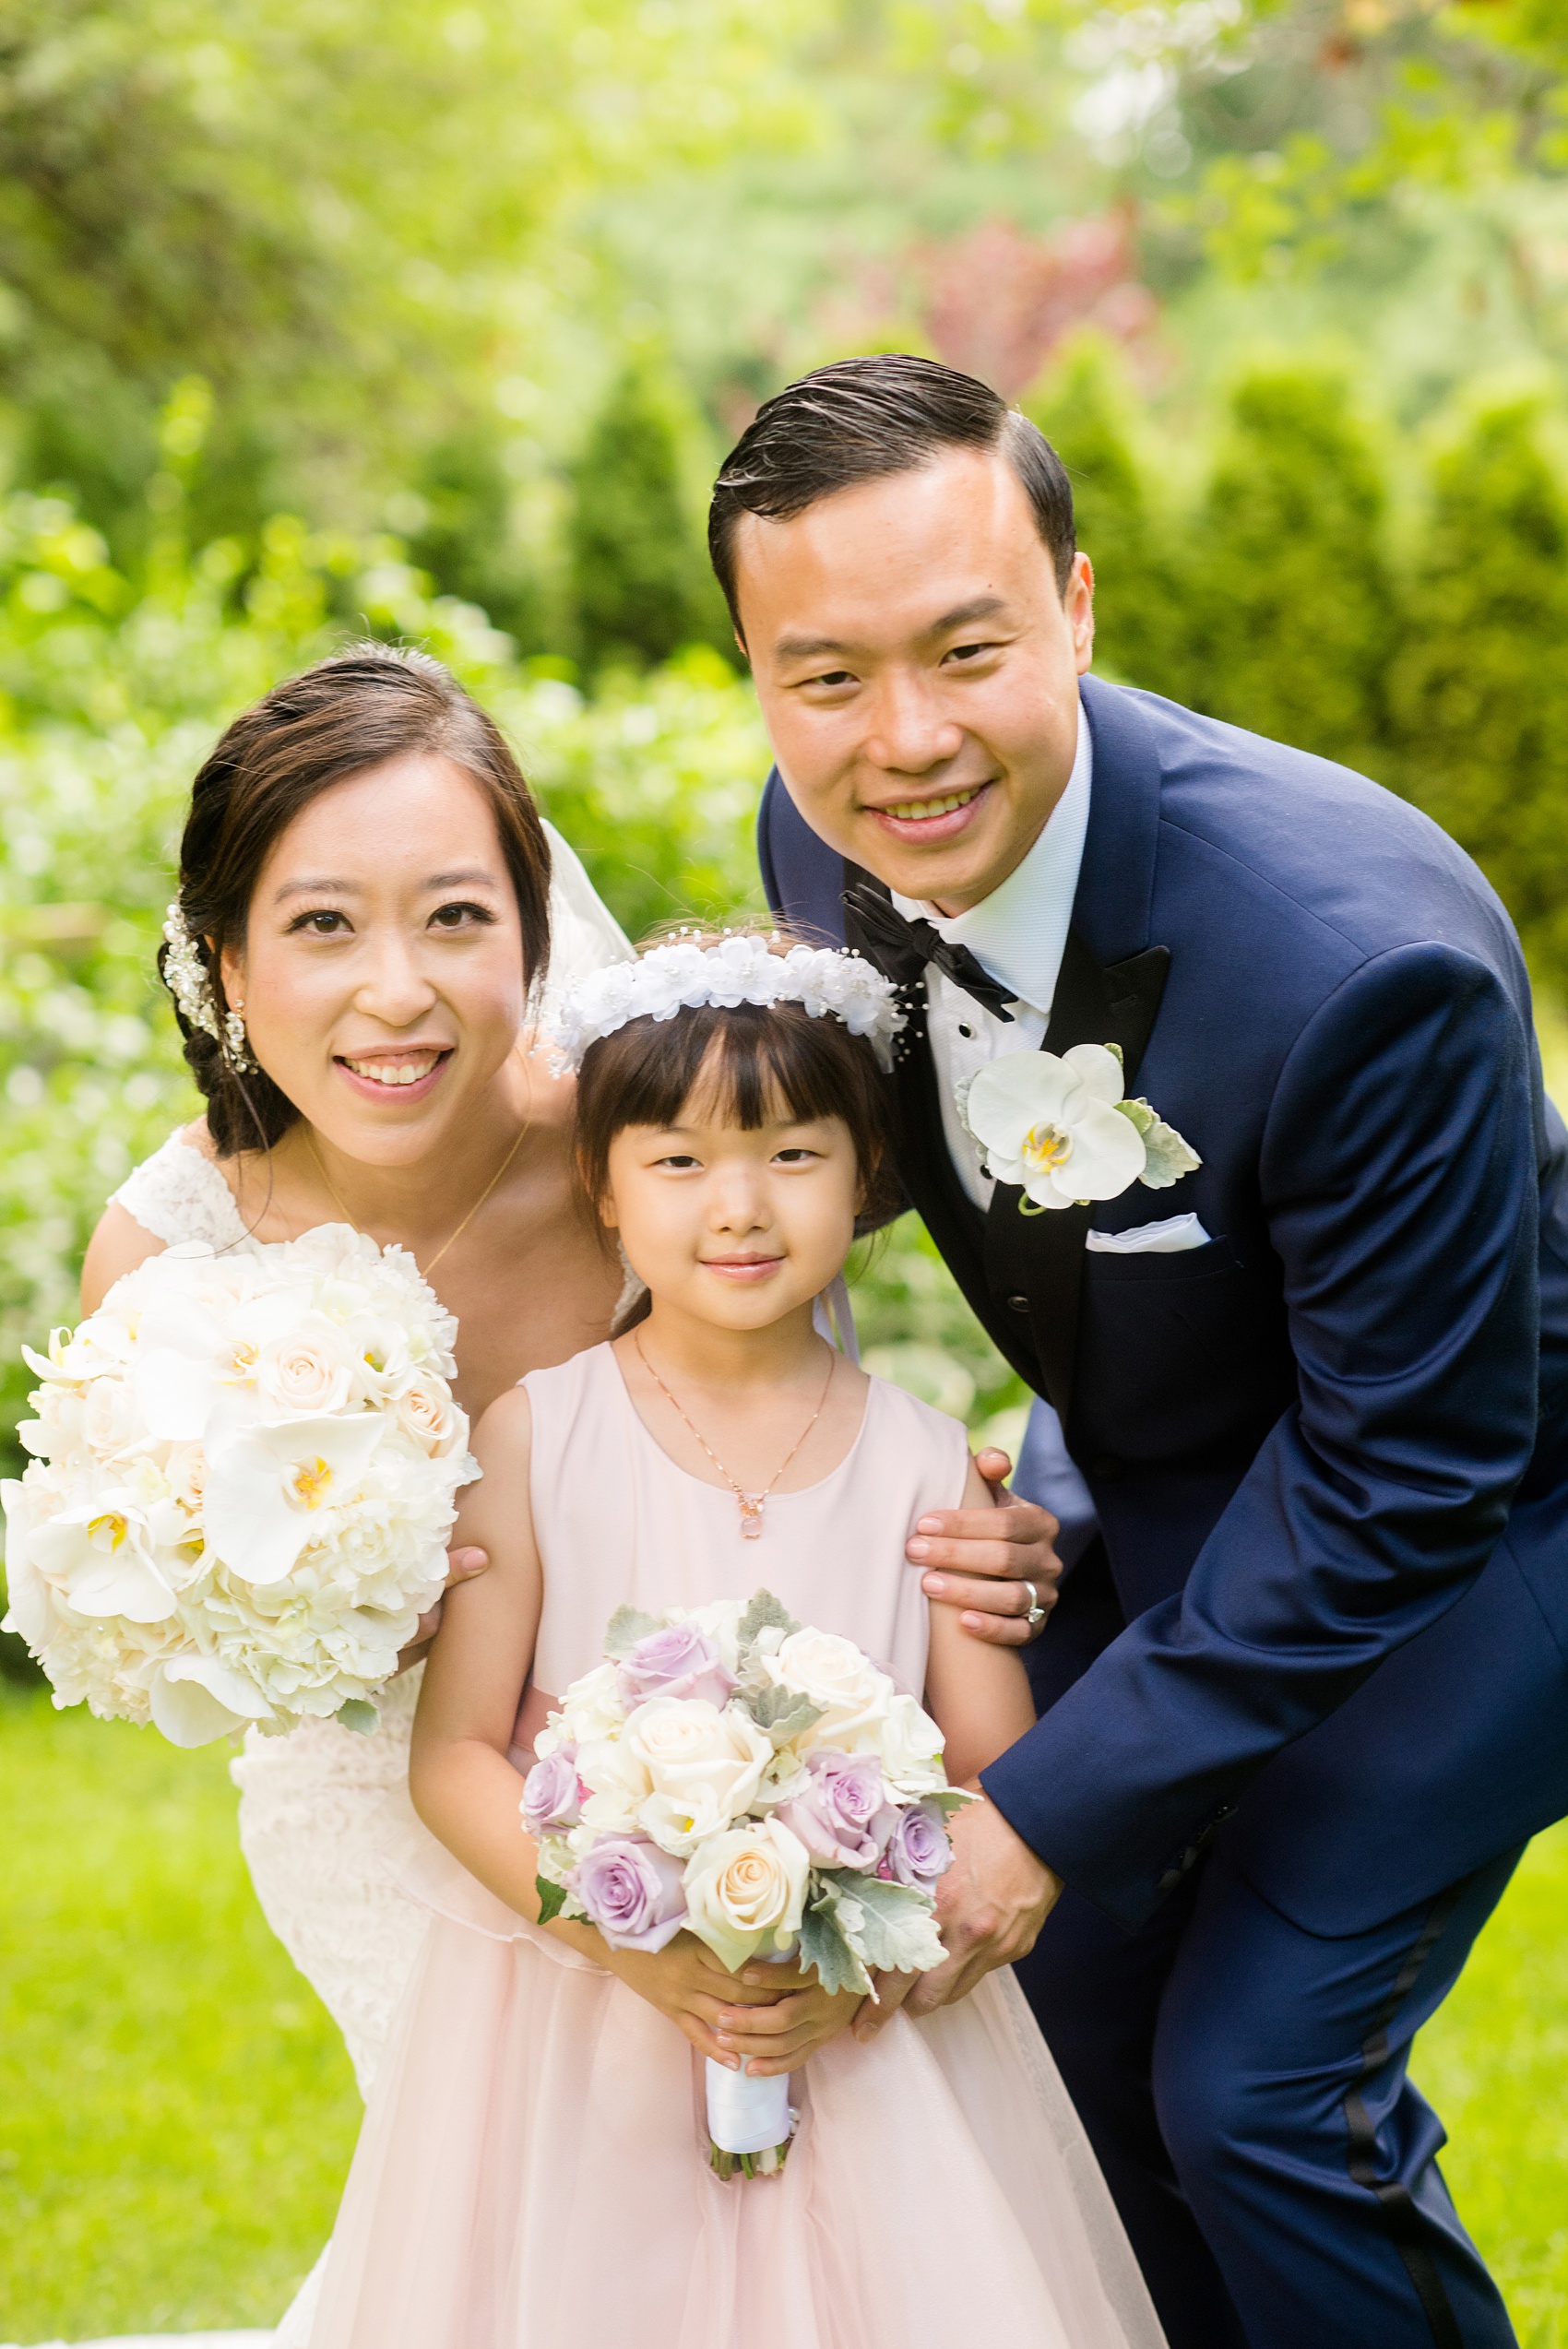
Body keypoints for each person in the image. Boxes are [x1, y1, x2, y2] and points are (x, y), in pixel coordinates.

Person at [724, 354, 1568, 2349]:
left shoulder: (1361, 963)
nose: (900, 738)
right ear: (757, 670)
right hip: (1184, 1481)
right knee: (1056, 2032)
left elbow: (1406, 1478)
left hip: (1493, 1522)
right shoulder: (815, 843)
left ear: (1079, 609)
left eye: (964, 648)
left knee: (1260, 2084)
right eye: (823, 673)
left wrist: (1035, 1811)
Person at [78, 639, 1056, 2345]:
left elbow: (783, 1449)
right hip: (386, 1815)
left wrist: (959, 1546)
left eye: (457, 917)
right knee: (500, 2249)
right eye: (323, 926)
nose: (400, 992)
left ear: (533, 937)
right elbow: (169, 1621)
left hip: (738, 1803)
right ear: (226, 959)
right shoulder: (179, 1255)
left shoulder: (656, 1158)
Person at [304, 930, 1167, 2349]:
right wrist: (628, 1934)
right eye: (680, 1160)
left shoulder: (927, 1465)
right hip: (584, 2030)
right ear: (604, 1184)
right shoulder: (535, 1438)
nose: (740, 1207)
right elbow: (454, 1754)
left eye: (793, 1154)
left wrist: (864, 1955)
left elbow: (997, 1773)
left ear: (865, 1170)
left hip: (866, 2036)